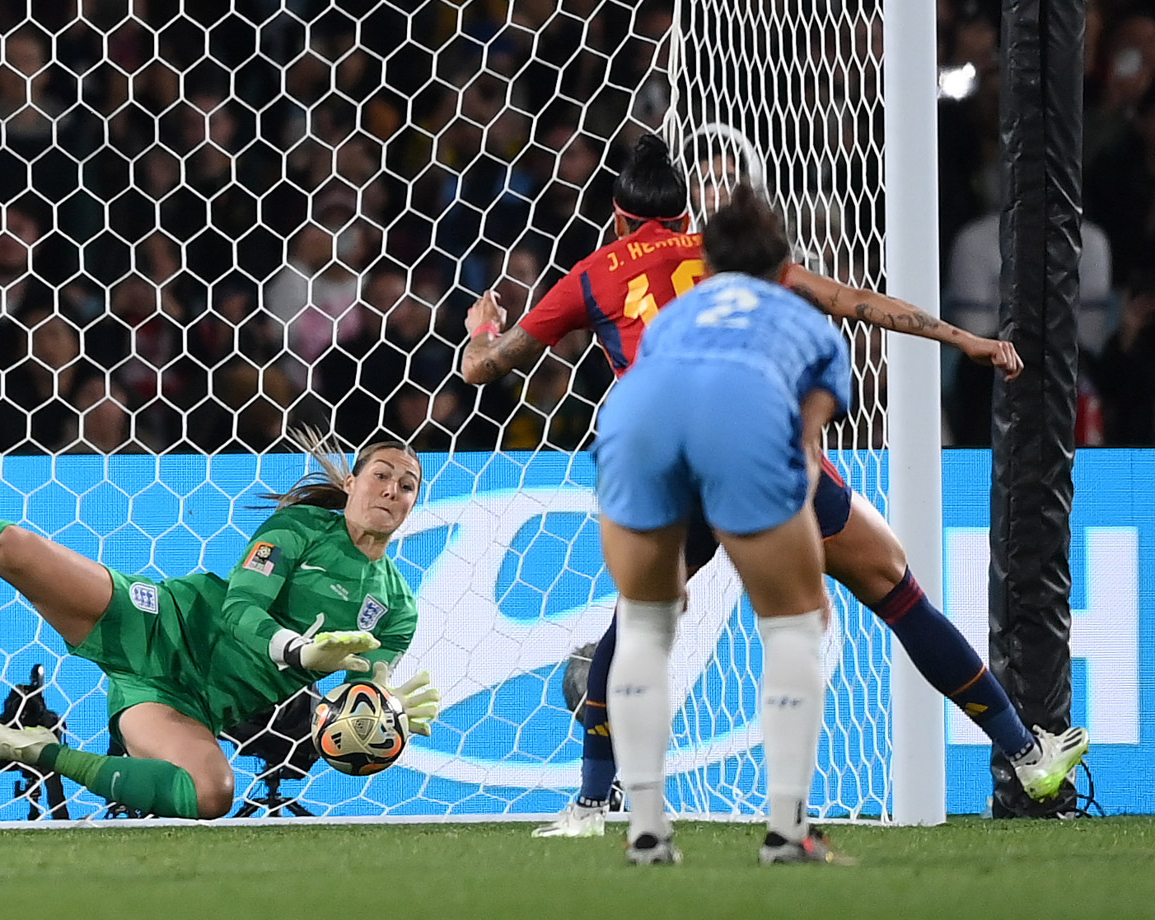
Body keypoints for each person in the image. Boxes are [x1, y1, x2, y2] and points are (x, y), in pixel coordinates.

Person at [457, 135, 1087, 838]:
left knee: (637, 621)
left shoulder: (591, 274)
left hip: (670, 459)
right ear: (686, 209)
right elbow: (850, 302)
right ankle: (1027, 755)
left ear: (618, 215)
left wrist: (482, 328)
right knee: (896, 590)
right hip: (760, 450)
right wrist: (960, 340)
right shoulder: (731, 262)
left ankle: (591, 802)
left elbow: (481, 370)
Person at [0, 432, 441, 819]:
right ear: (352, 481)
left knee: (211, 794)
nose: (391, 489)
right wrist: (298, 652)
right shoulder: (298, 528)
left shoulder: (398, 609)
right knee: (13, 548)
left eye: (407, 485)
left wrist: (388, 720)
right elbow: (242, 608)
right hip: (154, 621)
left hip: (180, 703)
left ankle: (37, 752)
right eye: (381, 474)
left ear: (415, 505)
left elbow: (355, 707)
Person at [592, 184, 846, 864]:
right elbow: (805, 437)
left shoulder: (679, 312)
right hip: (743, 413)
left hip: (634, 415)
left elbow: (664, 389)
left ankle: (645, 830)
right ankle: (788, 832)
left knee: (644, 622)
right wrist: (799, 550)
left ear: (710, 264)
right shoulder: (804, 317)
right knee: (795, 624)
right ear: (783, 269)